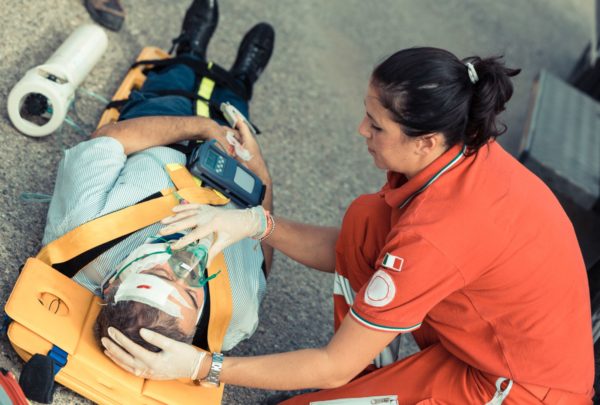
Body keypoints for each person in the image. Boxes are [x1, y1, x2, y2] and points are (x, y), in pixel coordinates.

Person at [101, 47, 594, 404]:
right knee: (366, 220)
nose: (361, 130)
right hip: (485, 332)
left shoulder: (437, 236)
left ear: (426, 141)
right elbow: (356, 247)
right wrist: (254, 223)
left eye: (377, 126)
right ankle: (376, 372)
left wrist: (202, 367)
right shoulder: (458, 147)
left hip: (515, 389)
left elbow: (332, 367)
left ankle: (373, 376)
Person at [42, 0, 275, 353]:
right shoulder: (232, 318)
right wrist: (261, 172)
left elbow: (110, 139)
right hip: (236, 170)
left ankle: (189, 48)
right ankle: (243, 81)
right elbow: (264, 246)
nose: (187, 266)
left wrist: (201, 126)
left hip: (162, 129)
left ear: (112, 286)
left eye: (160, 274)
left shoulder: (81, 234)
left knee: (175, 79)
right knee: (235, 107)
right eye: (193, 295)